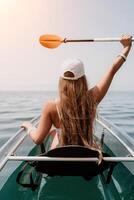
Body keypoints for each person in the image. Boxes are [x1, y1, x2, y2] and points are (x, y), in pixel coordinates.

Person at [22, 35, 132, 151]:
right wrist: (127, 47)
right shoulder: (92, 98)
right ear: (83, 78)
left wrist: (29, 127)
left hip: (61, 161)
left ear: (61, 80)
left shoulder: (50, 107)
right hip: (86, 159)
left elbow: (38, 139)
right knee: (56, 133)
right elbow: (112, 69)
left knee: (55, 132)